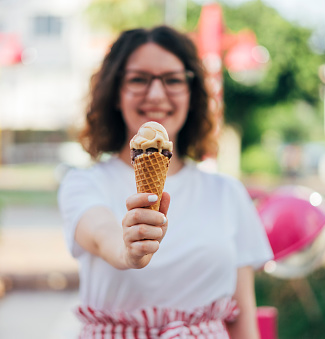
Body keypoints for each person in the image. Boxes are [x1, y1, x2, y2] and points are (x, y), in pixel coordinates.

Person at [58, 25, 273, 338]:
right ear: (115, 93)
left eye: (173, 80)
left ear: (192, 93)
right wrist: (128, 249)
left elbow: (242, 319)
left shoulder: (227, 193)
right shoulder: (84, 184)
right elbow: (102, 233)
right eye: (138, 79)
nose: (156, 94)